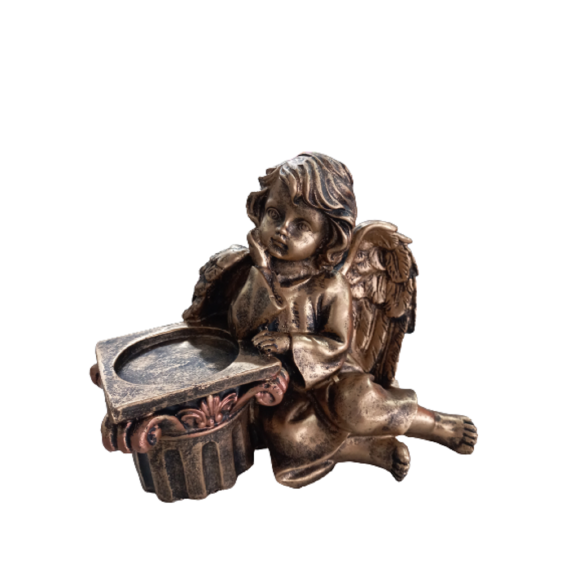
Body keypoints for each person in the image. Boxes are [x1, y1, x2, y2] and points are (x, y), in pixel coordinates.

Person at [228, 152, 477, 487]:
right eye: (275, 214)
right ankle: (368, 450)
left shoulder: (330, 285)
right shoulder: (250, 272)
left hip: (332, 379)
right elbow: (238, 327)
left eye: (302, 225)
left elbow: (337, 344)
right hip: (284, 389)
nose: (282, 230)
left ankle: (432, 424)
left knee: (358, 405)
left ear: (328, 237)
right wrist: (261, 271)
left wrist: (290, 342)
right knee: (286, 434)